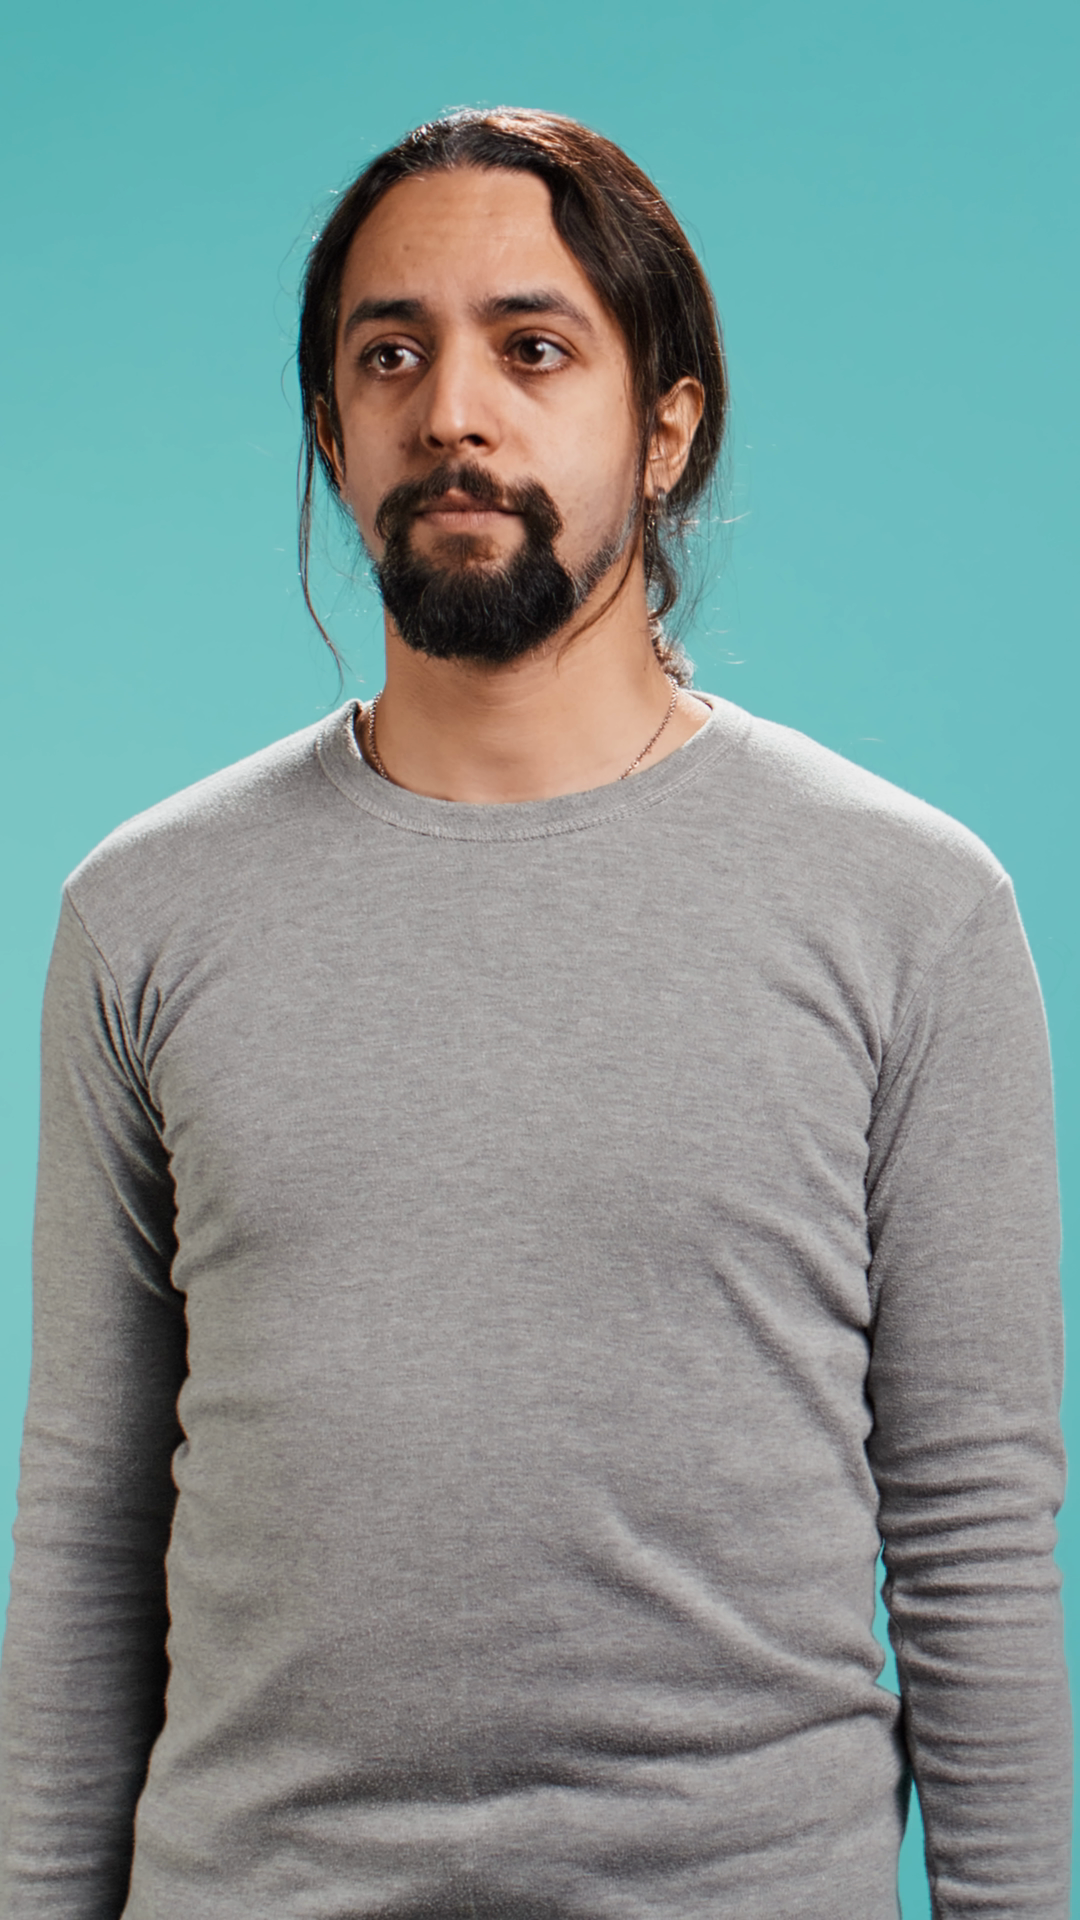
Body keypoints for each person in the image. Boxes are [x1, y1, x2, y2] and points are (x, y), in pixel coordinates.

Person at [0, 107, 1069, 1920]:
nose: (455, 413)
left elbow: (972, 1532)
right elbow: (89, 1522)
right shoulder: (144, 915)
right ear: (331, 429)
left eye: (535, 347)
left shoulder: (913, 909)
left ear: (669, 425)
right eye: (390, 355)